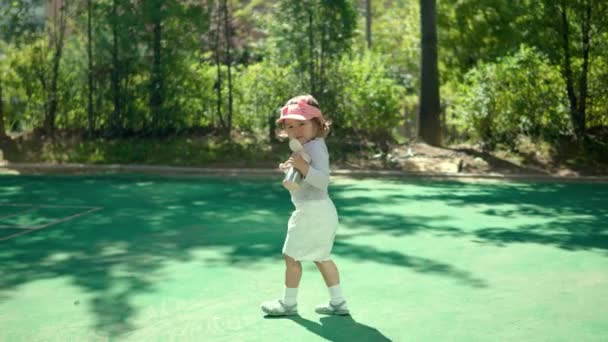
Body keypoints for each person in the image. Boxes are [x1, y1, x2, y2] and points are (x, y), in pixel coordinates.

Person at [261, 94, 349, 317]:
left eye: (302, 123)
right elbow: (303, 179)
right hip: (322, 211)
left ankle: (288, 304)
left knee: (291, 257)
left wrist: (303, 167)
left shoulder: (314, 148)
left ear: (317, 124)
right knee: (322, 257)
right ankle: (338, 303)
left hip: (312, 211)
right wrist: (292, 169)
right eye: (291, 126)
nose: (296, 130)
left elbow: (322, 181)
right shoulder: (310, 146)